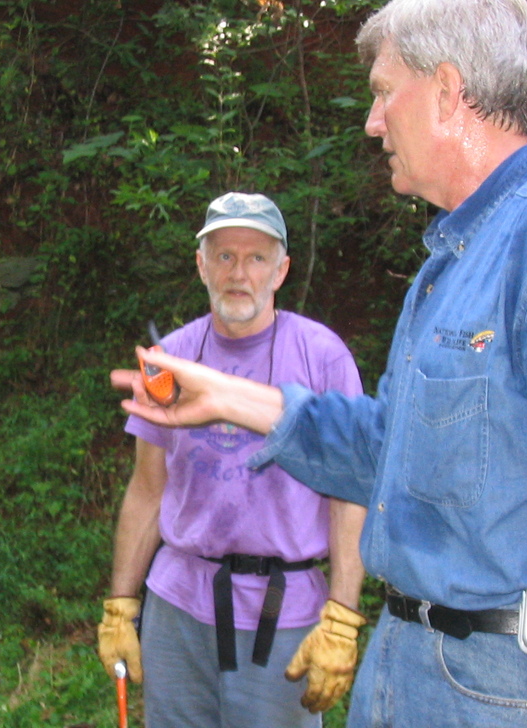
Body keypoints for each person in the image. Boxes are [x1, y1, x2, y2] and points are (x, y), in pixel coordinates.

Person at [109, 1, 527, 727]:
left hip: (500, 687)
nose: (373, 121)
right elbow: (393, 452)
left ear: (447, 91)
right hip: (406, 664)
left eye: (384, 92)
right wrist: (222, 395)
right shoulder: (449, 265)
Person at [96, 192, 368, 728]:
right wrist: (120, 605)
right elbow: (147, 490)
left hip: (280, 612)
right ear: (201, 265)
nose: (238, 273)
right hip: (177, 606)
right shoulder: (169, 359)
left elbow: (350, 491)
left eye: (256, 257)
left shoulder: (322, 355)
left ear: (281, 269)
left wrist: (341, 618)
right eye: (223, 256)